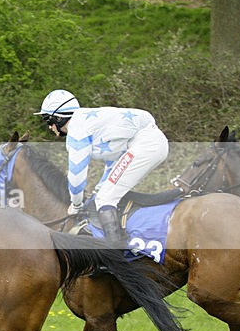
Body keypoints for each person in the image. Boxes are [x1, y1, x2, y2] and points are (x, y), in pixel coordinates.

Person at [34, 89, 169, 242]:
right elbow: (114, 162)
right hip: (151, 142)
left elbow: (77, 175)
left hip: (146, 144)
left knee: (105, 199)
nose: (49, 127)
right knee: (104, 194)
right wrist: (98, 189)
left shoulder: (77, 131)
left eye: (48, 120)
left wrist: (76, 204)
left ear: (58, 118)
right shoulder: (88, 121)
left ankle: (116, 253)